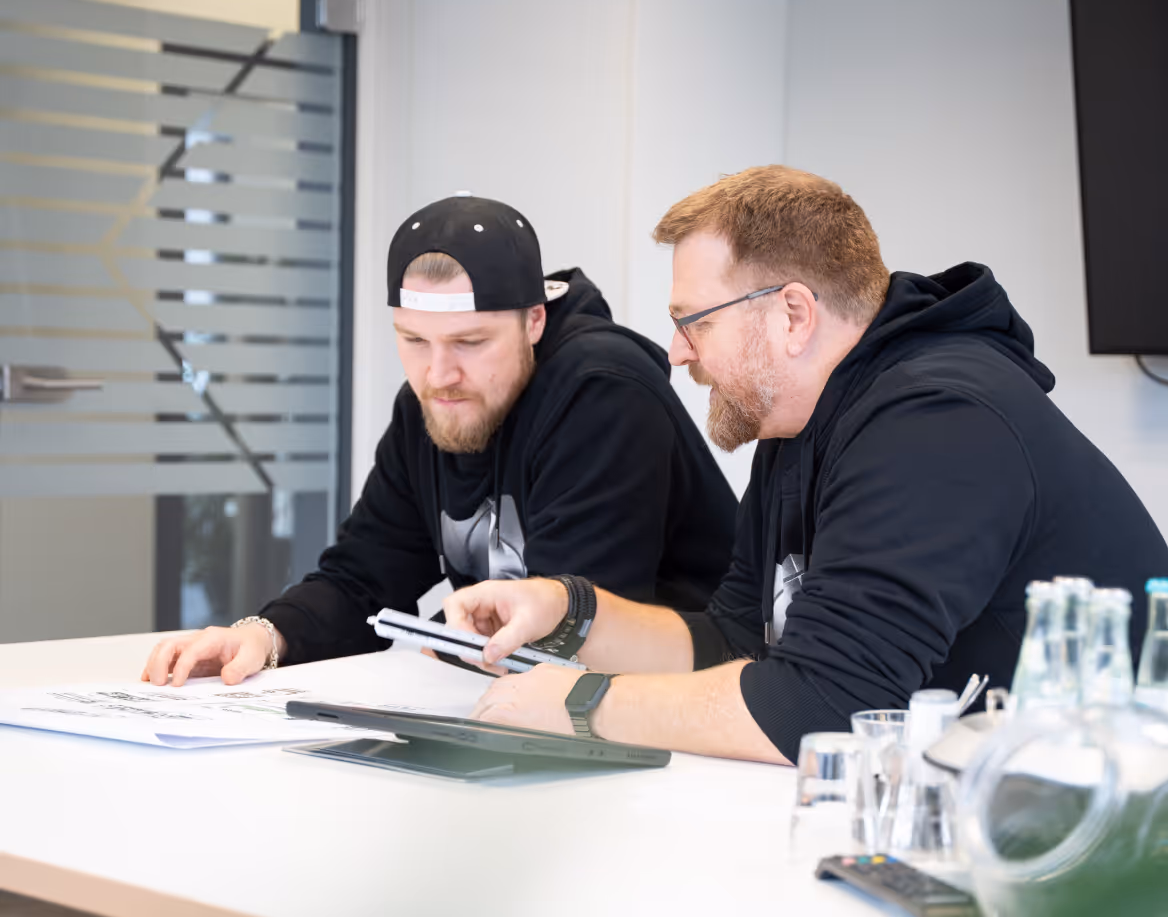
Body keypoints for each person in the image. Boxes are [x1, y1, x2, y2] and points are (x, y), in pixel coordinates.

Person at [443, 165, 1168, 763]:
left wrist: (581, 703)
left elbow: (825, 704)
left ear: (792, 315)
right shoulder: (797, 420)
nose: (678, 352)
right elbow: (734, 640)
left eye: (695, 321)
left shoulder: (940, 421)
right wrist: (568, 613)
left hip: (1104, 815)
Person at [142, 194, 737, 687]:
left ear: (534, 320)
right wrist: (265, 635)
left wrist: (440, 645)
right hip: (534, 706)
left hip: (689, 710)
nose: (438, 374)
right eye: (414, 341)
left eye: (470, 343)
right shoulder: (429, 405)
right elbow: (364, 579)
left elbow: (573, 623)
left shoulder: (601, 392)